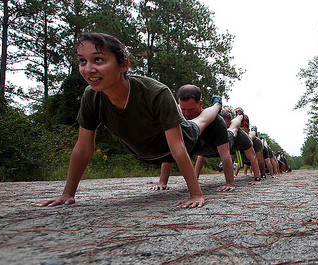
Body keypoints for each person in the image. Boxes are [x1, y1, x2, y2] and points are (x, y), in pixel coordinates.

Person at [32, 33, 215, 208]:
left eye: (98, 59)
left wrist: (196, 194)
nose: (88, 69)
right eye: (82, 61)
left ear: (124, 65)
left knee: (200, 122)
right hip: (144, 154)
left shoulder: (156, 92)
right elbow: (83, 148)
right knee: (198, 123)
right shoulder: (91, 97)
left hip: (183, 140)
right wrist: (68, 193)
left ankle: (216, 106)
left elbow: (177, 147)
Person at [154, 84, 235, 192]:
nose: (187, 114)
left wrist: (230, 183)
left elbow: (225, 153)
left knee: (233, 131)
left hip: (219, 144)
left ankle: (217, 104)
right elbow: (172, 149)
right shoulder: (177, 117)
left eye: (191, 109)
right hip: (198, 146)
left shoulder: (217, 121)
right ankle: (217, 104)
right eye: (183, 109)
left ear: (200, 104)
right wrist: (162, 183)